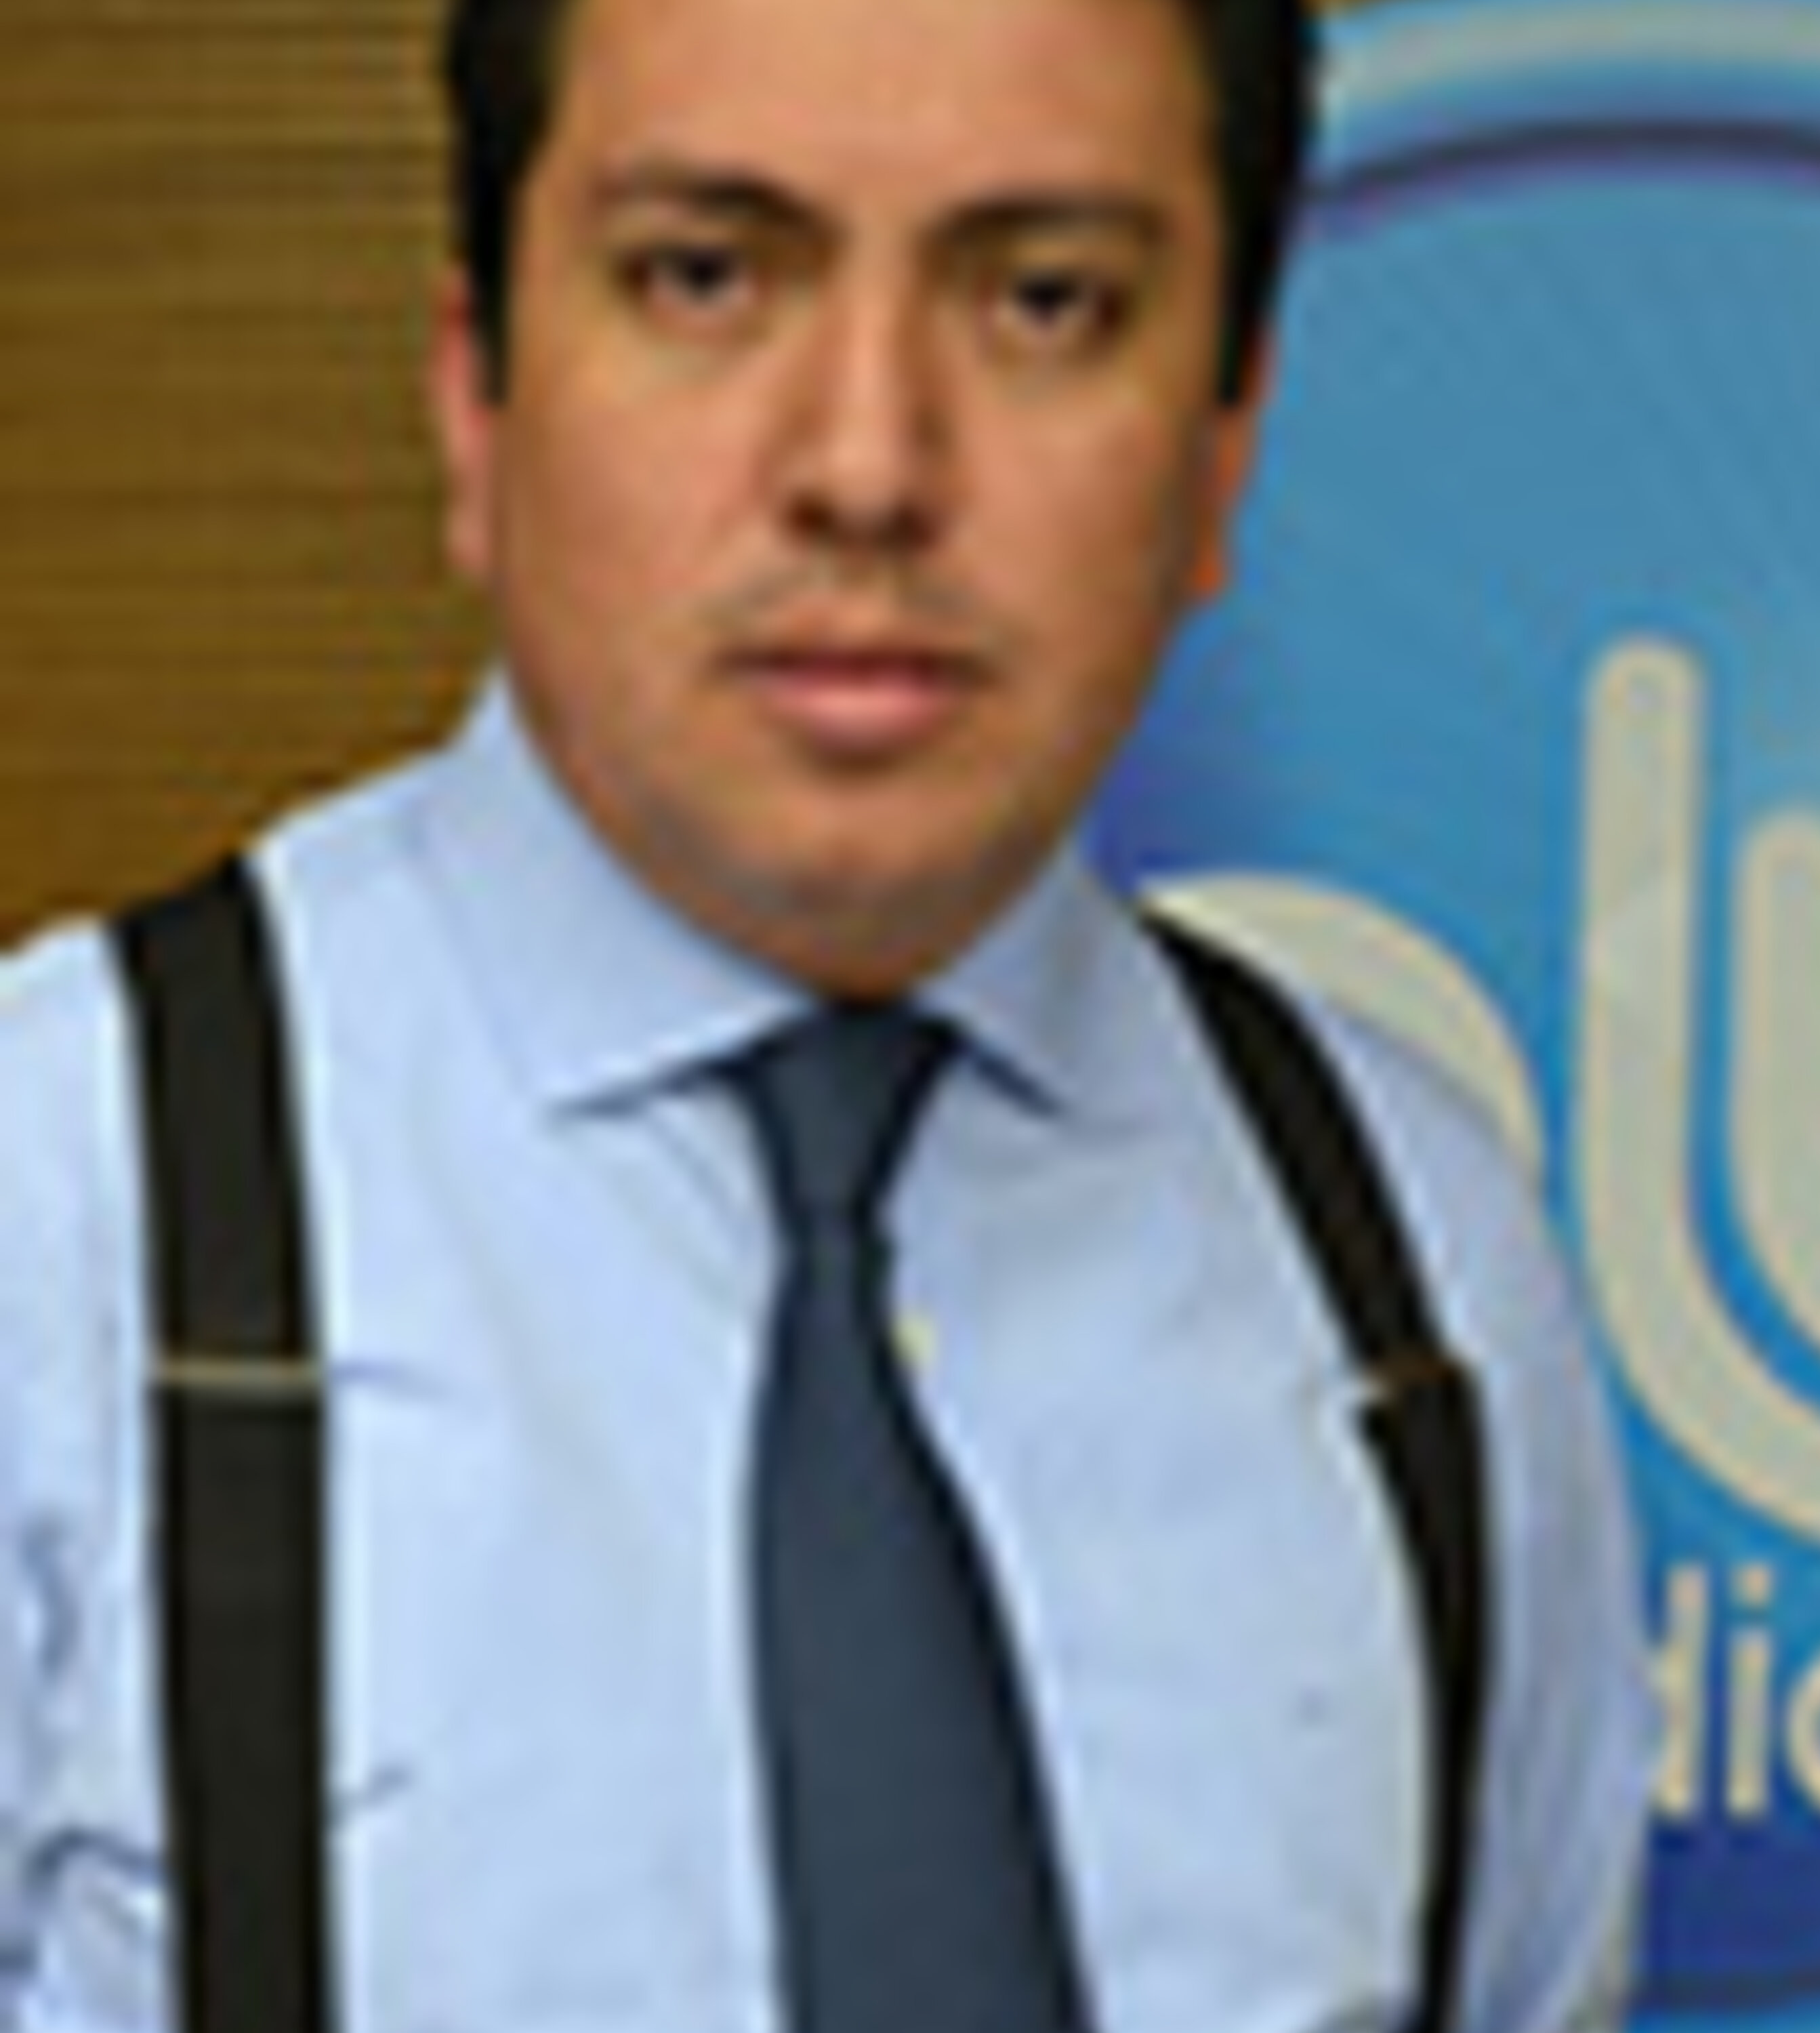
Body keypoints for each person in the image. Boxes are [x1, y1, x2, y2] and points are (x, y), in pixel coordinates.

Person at [0, 0, 1654, 2028]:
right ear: (475, 400)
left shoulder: (1417, 1274)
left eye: (1045, 301)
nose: (868, 465)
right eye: (704, 277)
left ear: (1223, 446)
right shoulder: (55, 1216)